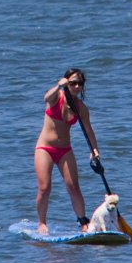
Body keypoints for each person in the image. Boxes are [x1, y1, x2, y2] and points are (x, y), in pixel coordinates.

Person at [34, 67, 100, 234]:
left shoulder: (80, 108)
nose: (77, 87)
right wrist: (58, 85)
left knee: (73, 186)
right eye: (73, 83)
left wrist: (94, 150)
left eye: (80, 84)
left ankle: (83, 222)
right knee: (45, 187)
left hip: (65, 150)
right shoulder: (56, 97)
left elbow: (89, 130)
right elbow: (46, 97)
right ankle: (42, 223)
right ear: (66, 83)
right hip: (45, 148)